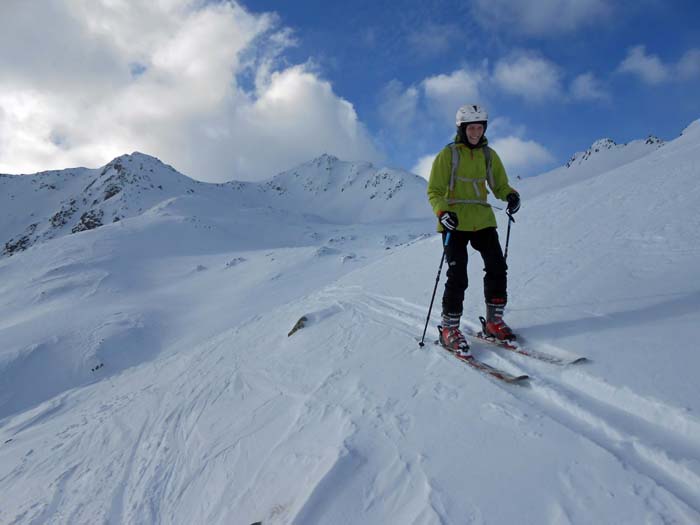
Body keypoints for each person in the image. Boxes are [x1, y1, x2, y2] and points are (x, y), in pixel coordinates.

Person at [427, 104, 520, 354]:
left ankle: (494, 322)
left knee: (497, 266)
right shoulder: (448, 155)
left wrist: (510, 195)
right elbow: (434, 191)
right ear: (462, 129)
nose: (476, 132)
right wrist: (442, 212)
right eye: (471, 128)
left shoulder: (489, 155)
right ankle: (449, 329)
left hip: (483, 218)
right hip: (454, 221)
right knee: (458, 276)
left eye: (480, 127)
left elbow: (499, 185)